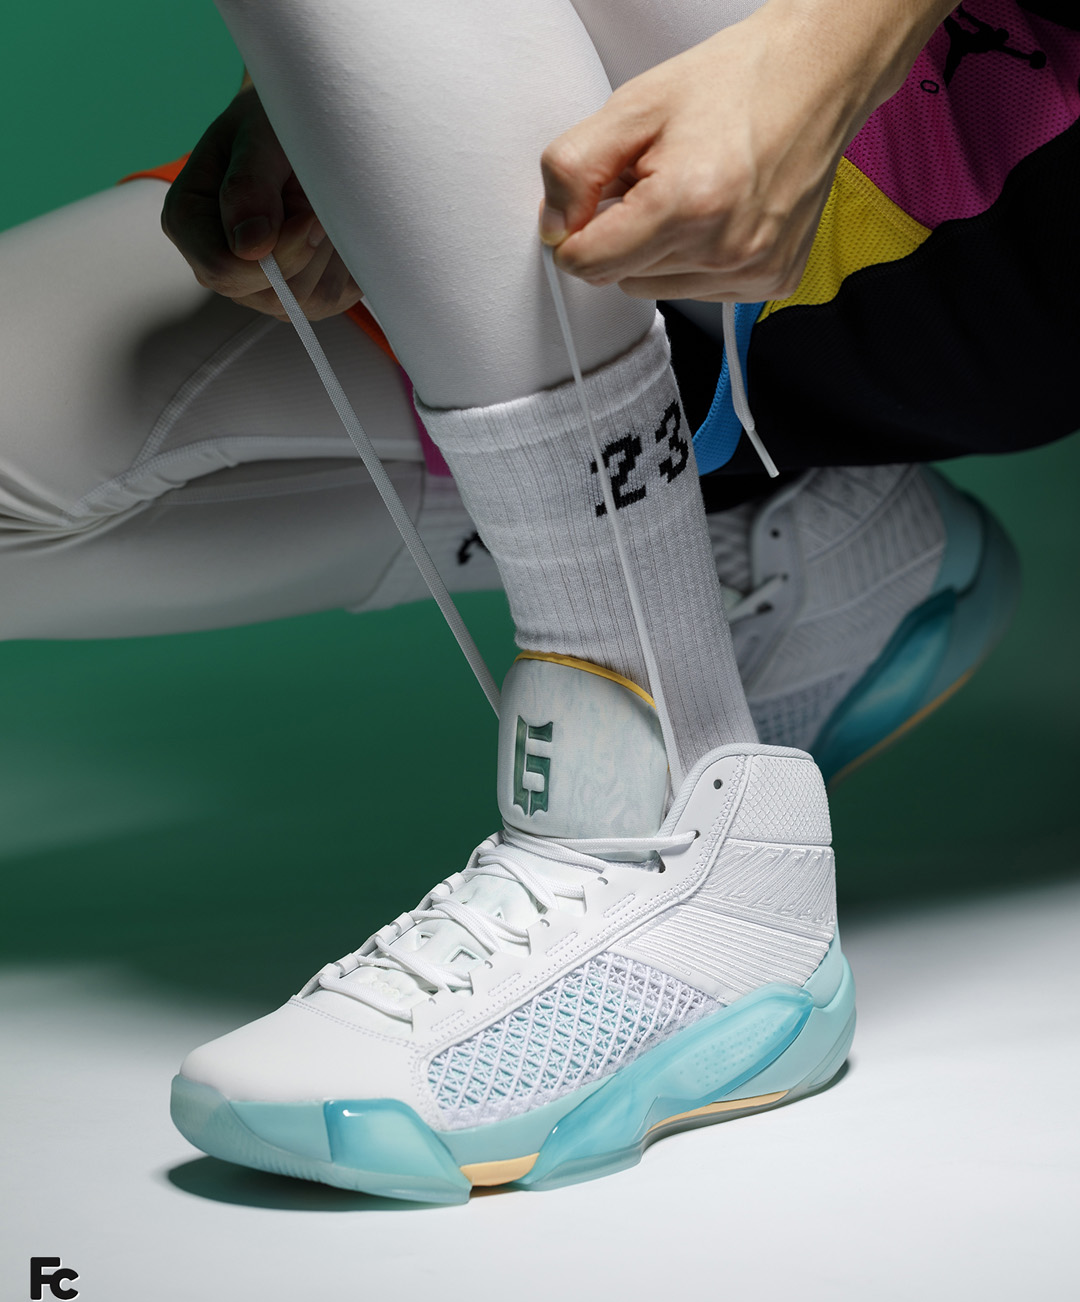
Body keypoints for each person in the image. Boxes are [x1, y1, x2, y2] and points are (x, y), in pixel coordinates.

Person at [1, 0, 1072, 1198]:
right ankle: (789, 549)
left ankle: (660, 829)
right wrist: (341, 92)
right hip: (608, 211)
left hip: (978, 143)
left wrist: (827, 46)